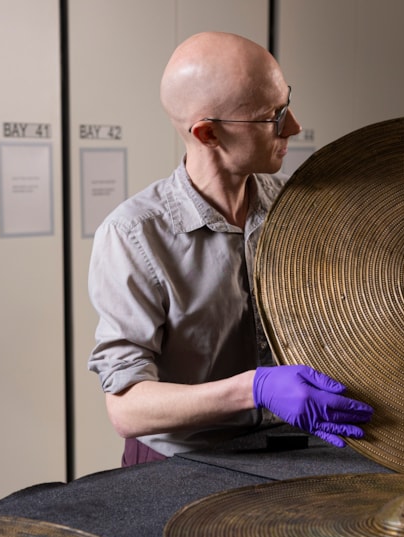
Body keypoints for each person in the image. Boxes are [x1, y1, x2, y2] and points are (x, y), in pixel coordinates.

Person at [87, 31, 372, 467]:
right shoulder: (133, 235)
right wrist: (253, 388)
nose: (293, 127)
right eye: (272, 117)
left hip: (300, 455)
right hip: (186, 465)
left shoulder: (301, 210)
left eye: (287, 104)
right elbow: (127, 407)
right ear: (208, 133)